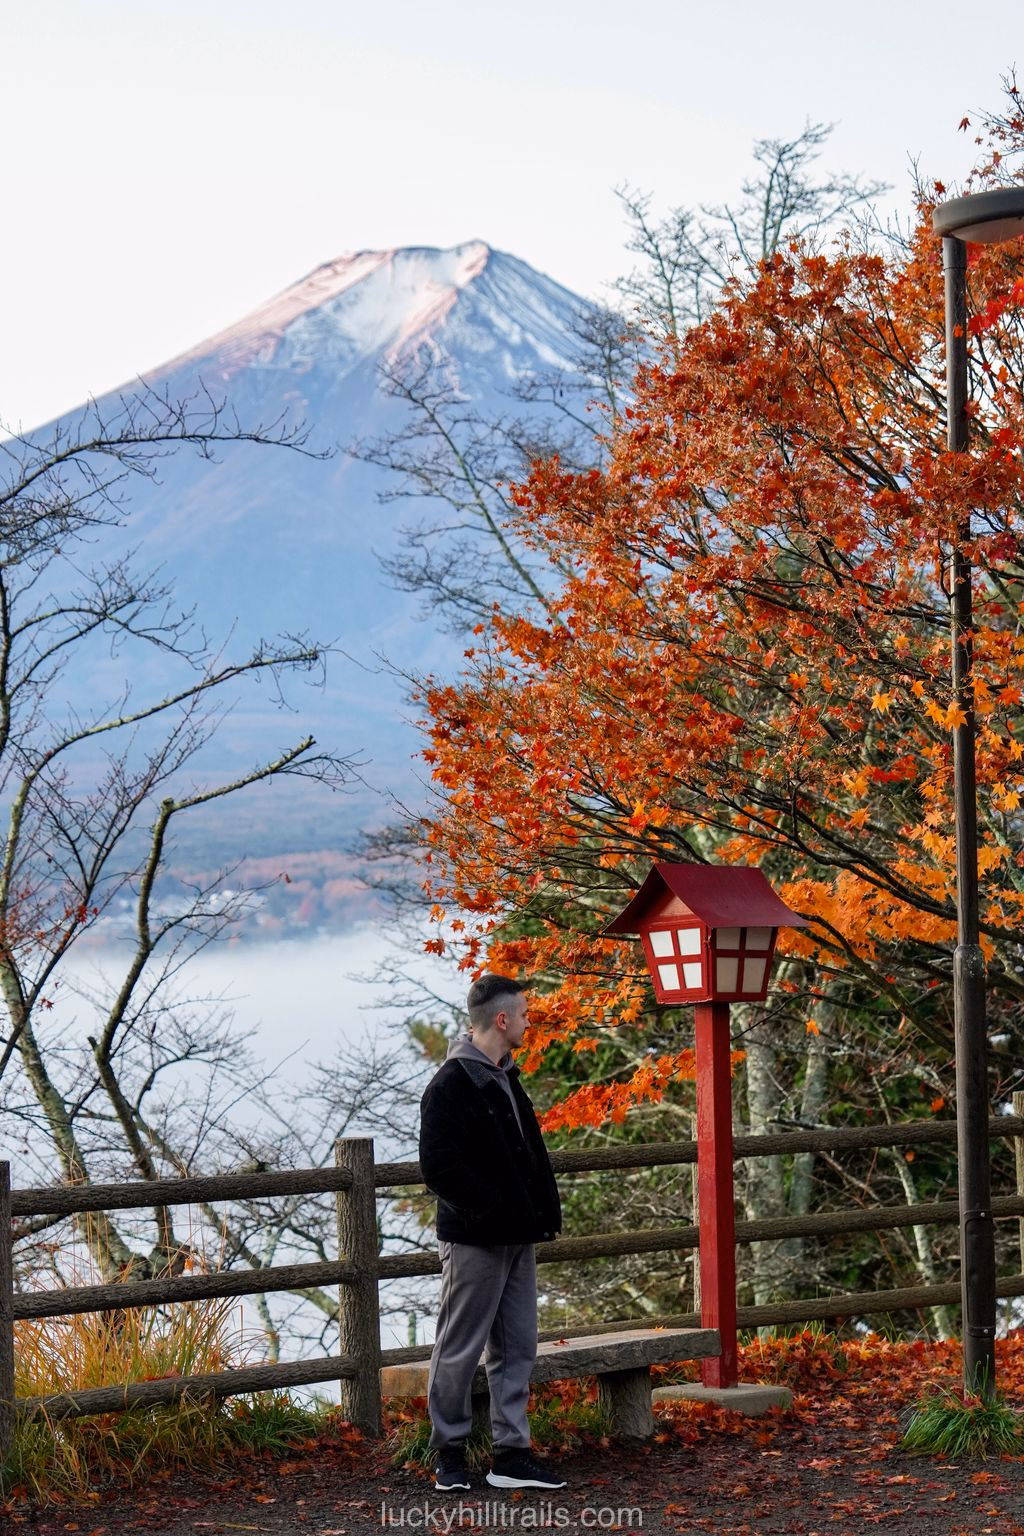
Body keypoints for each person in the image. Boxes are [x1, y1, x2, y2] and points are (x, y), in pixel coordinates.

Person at [418, 973, 566, 1493]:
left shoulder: (505, 1076)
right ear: (502, 1020)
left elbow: (528, 1159)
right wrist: (492, 1210)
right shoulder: (452, 1082)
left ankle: (511, 1454)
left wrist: (536, 1213)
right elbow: (439, 1167)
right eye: (523, 1014)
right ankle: (449, 1455)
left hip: (516, 1237)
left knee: (517, 1346)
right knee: (459, 1346)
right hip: (475, 1240)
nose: (528, 1022)